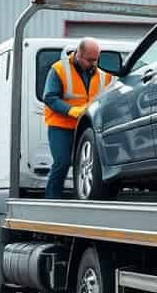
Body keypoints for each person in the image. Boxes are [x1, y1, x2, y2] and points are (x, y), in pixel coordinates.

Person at [43, 37, 113, 199]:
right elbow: (50, 97)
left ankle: (83, 198)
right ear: (78, 55)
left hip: (89, 127)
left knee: (87, 164)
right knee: (62, 162)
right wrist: (72, 110)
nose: (93, 64)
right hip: (62, 125)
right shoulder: (59, 69)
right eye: (90, 60)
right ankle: (52, 200)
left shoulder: (103, 75)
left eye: (96, 59)